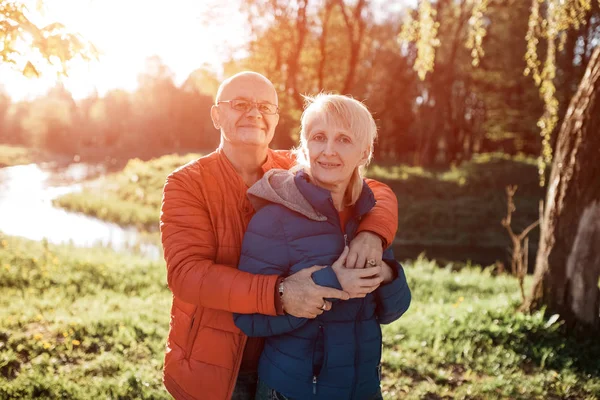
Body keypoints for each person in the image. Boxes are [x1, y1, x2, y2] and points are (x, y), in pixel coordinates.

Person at [160, 72, 399, 400]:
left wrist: (372, 234)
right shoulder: (186, 183)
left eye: (265, 107)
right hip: (216, 363)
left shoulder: (295, 167)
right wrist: (280, 292)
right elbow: (187, 275)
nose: (254, 113)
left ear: (275, 119)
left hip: (283, 358)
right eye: (240, 104)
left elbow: (374, 190)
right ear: (217, 115)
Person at [233, 93, 411, 400]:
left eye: (343, 139)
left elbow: (393, 311)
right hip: (292, 392)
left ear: (364, 151)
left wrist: (384, 273)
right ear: (305, 145)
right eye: (318, 137)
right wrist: (330, 282)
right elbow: (247, 319)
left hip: (364, 390)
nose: (328, 151)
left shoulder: (368, 217)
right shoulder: (273, 220)